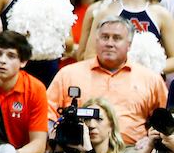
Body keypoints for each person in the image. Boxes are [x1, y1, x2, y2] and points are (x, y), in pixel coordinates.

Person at [52, 14, 168, 144]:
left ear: (129, 45)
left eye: (117, 38)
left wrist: (150, 140)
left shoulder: (150, 79)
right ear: (96, 41)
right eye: (105, 37)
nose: (109, 44)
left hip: (132, 151)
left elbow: (165, 120)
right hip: (78, 148)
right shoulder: (69, 74)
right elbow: (47, 113)